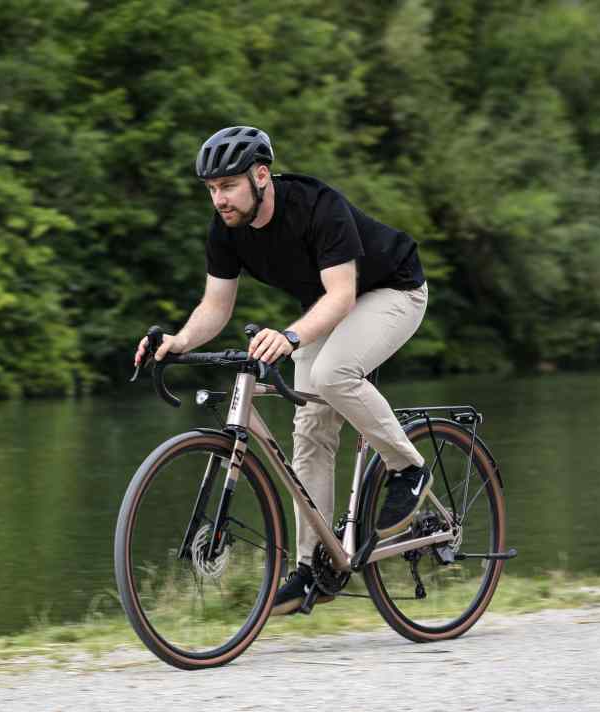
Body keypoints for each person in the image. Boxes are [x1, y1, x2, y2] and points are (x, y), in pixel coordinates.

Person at [133, 126, 431, 616]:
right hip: (328, 305)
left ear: (261, 176)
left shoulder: (317, 206)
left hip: (392, 291)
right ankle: (314, 568)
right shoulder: (226, 229)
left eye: (228, 186)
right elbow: (216, 306)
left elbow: (343, 295)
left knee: (333, 373)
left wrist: (290, 337)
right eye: (211, 189)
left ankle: (409, 468)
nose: (219, 199)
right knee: (310, 429)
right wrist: (179, 341)